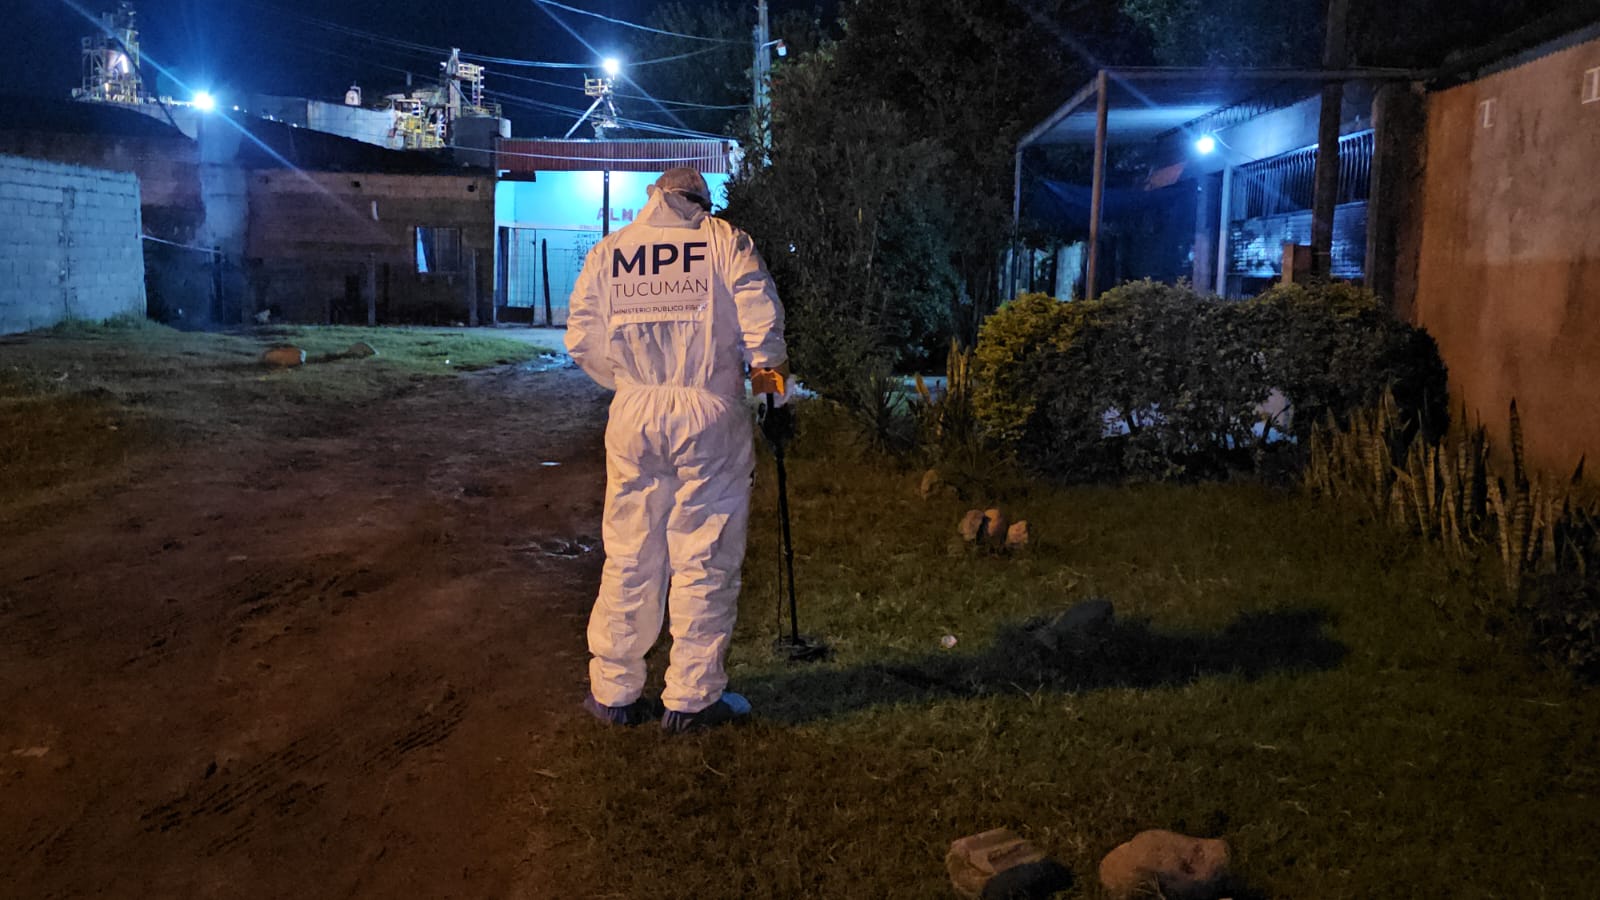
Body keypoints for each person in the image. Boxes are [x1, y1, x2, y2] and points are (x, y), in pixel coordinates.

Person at [565, 167, 791, 733]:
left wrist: (630, 385)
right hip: (708, 415)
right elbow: (763, 335)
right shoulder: (725, 243)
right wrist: (774, 401)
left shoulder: (612, 251)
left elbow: (582, 340)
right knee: (704, 554)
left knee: (629, 552)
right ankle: (691, 699)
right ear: (699, 201)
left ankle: (613, 691)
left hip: (634, 415)